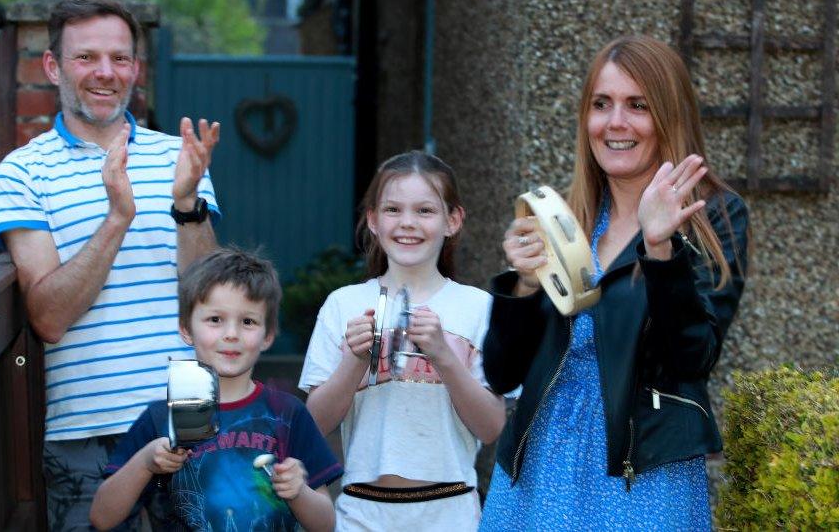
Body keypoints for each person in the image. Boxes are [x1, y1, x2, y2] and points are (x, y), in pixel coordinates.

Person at [478, 35, 749, 530]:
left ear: (669, 116)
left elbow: (694, 357)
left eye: (638, 105)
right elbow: (500, 374)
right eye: (601, 105)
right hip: (538, 471)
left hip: (640, 476)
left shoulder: (715, 216)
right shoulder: (565, 218)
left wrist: (661, 248)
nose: (615, 123)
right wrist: (521, 286)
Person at [0, 0, 222, 529]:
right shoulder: (22, 173)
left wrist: (186, 204)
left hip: (185, 418)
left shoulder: (178, 156)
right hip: (84, 438)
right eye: (86, 57)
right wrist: (117, 218)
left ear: (136, 69)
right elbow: (48, 317)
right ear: (53, 66)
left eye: (119, 58)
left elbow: (208, 295)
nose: (105, 72)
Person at [299, 151, 507, 531]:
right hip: (362, 512)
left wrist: (444, 356)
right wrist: (354, 361)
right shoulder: (343, 305)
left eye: (425, 211)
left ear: (453, 220)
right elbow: (315, 422)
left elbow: (492, 428)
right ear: (374, 221)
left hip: (452, 512)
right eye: (393, 210)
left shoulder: (479, 308)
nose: (407, 223)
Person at [90, 248, 343, 531]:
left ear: (268, 335)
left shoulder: (288, 413)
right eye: (215, 320)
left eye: (248, 321)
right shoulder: (160, 418)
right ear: (186, 328)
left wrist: (299, 492)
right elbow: (102, 518)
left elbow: (326, 524)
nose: (231, 334)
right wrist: (145, 461)